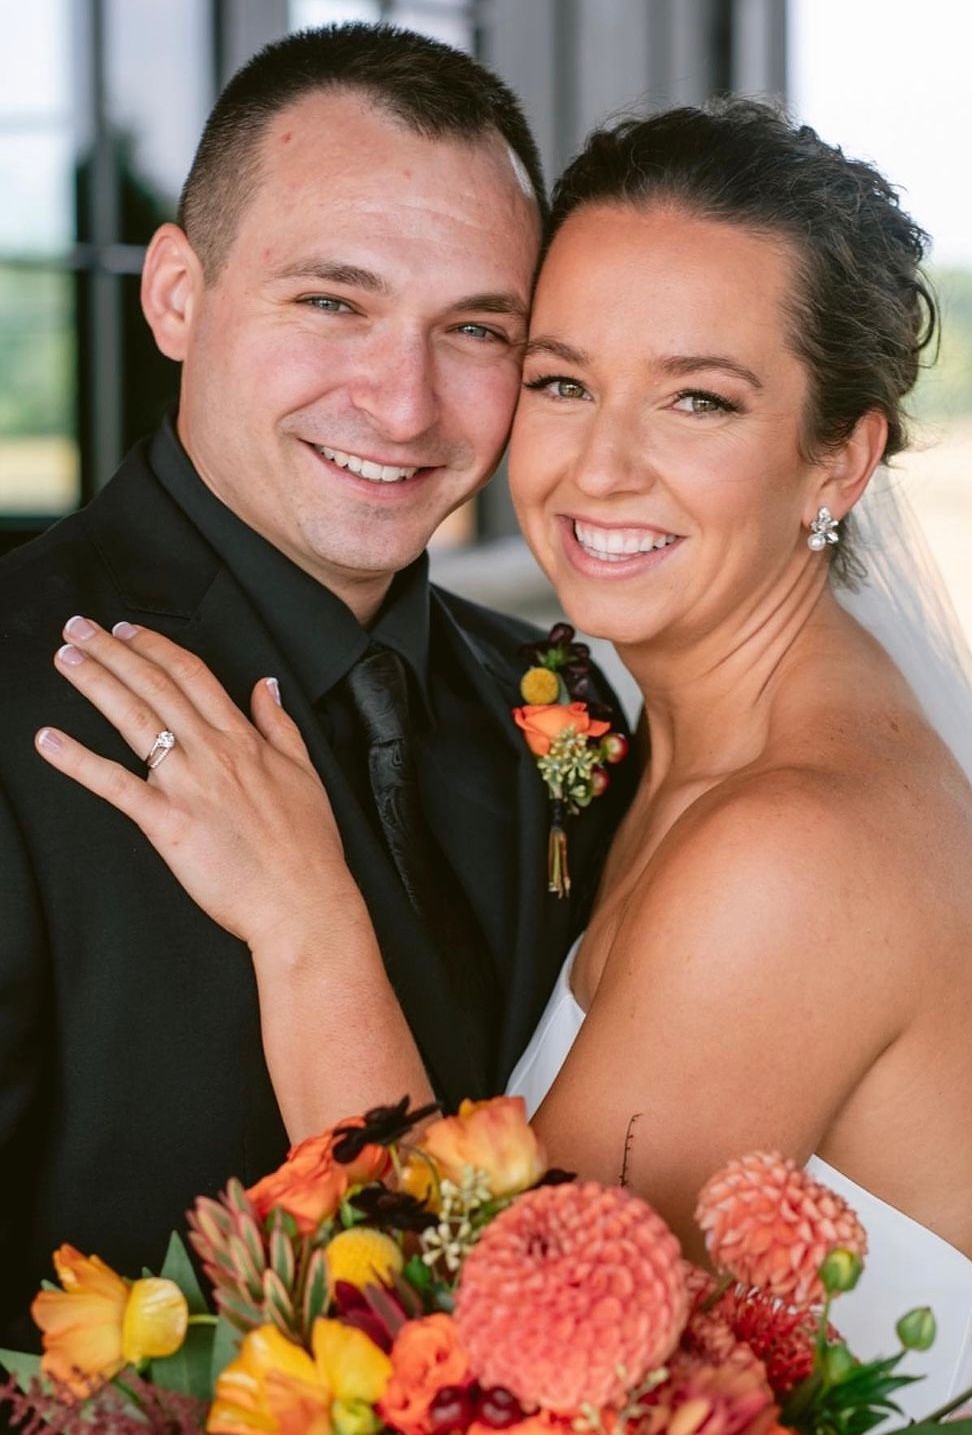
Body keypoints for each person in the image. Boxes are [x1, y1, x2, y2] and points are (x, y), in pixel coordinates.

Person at [33, 99, 972, 1420]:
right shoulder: (627, 737)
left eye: (698, 399)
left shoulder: (793, 848)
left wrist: (307, 924)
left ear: (838, 460)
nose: (598, 468)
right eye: (562, 381)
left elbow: (498, 1379)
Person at [0, 24, 637, 1349]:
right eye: (332, 302)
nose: (402, 405)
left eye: (475, 329)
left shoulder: (558, 696)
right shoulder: (12, 694)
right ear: (177, 295)